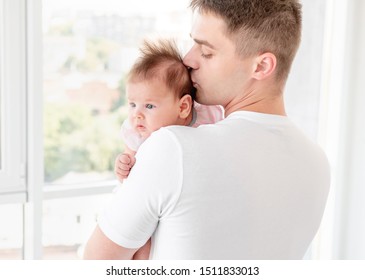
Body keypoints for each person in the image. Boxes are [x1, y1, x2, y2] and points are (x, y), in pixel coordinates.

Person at [84, 0, 330, 260]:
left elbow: (96, 262)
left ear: (261, 66)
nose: (188, 59)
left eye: (207, 52)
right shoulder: (318, 163)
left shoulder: (173, 148)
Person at [113, 38, 224, 259]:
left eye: (149, 106)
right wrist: (123, 164)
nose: (137, 114)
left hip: (184, 200)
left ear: (183, 106)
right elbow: (129, 162)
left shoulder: (207, 116)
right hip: (144, 198)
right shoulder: (136, 129)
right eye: (132, 104)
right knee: (141, 244)